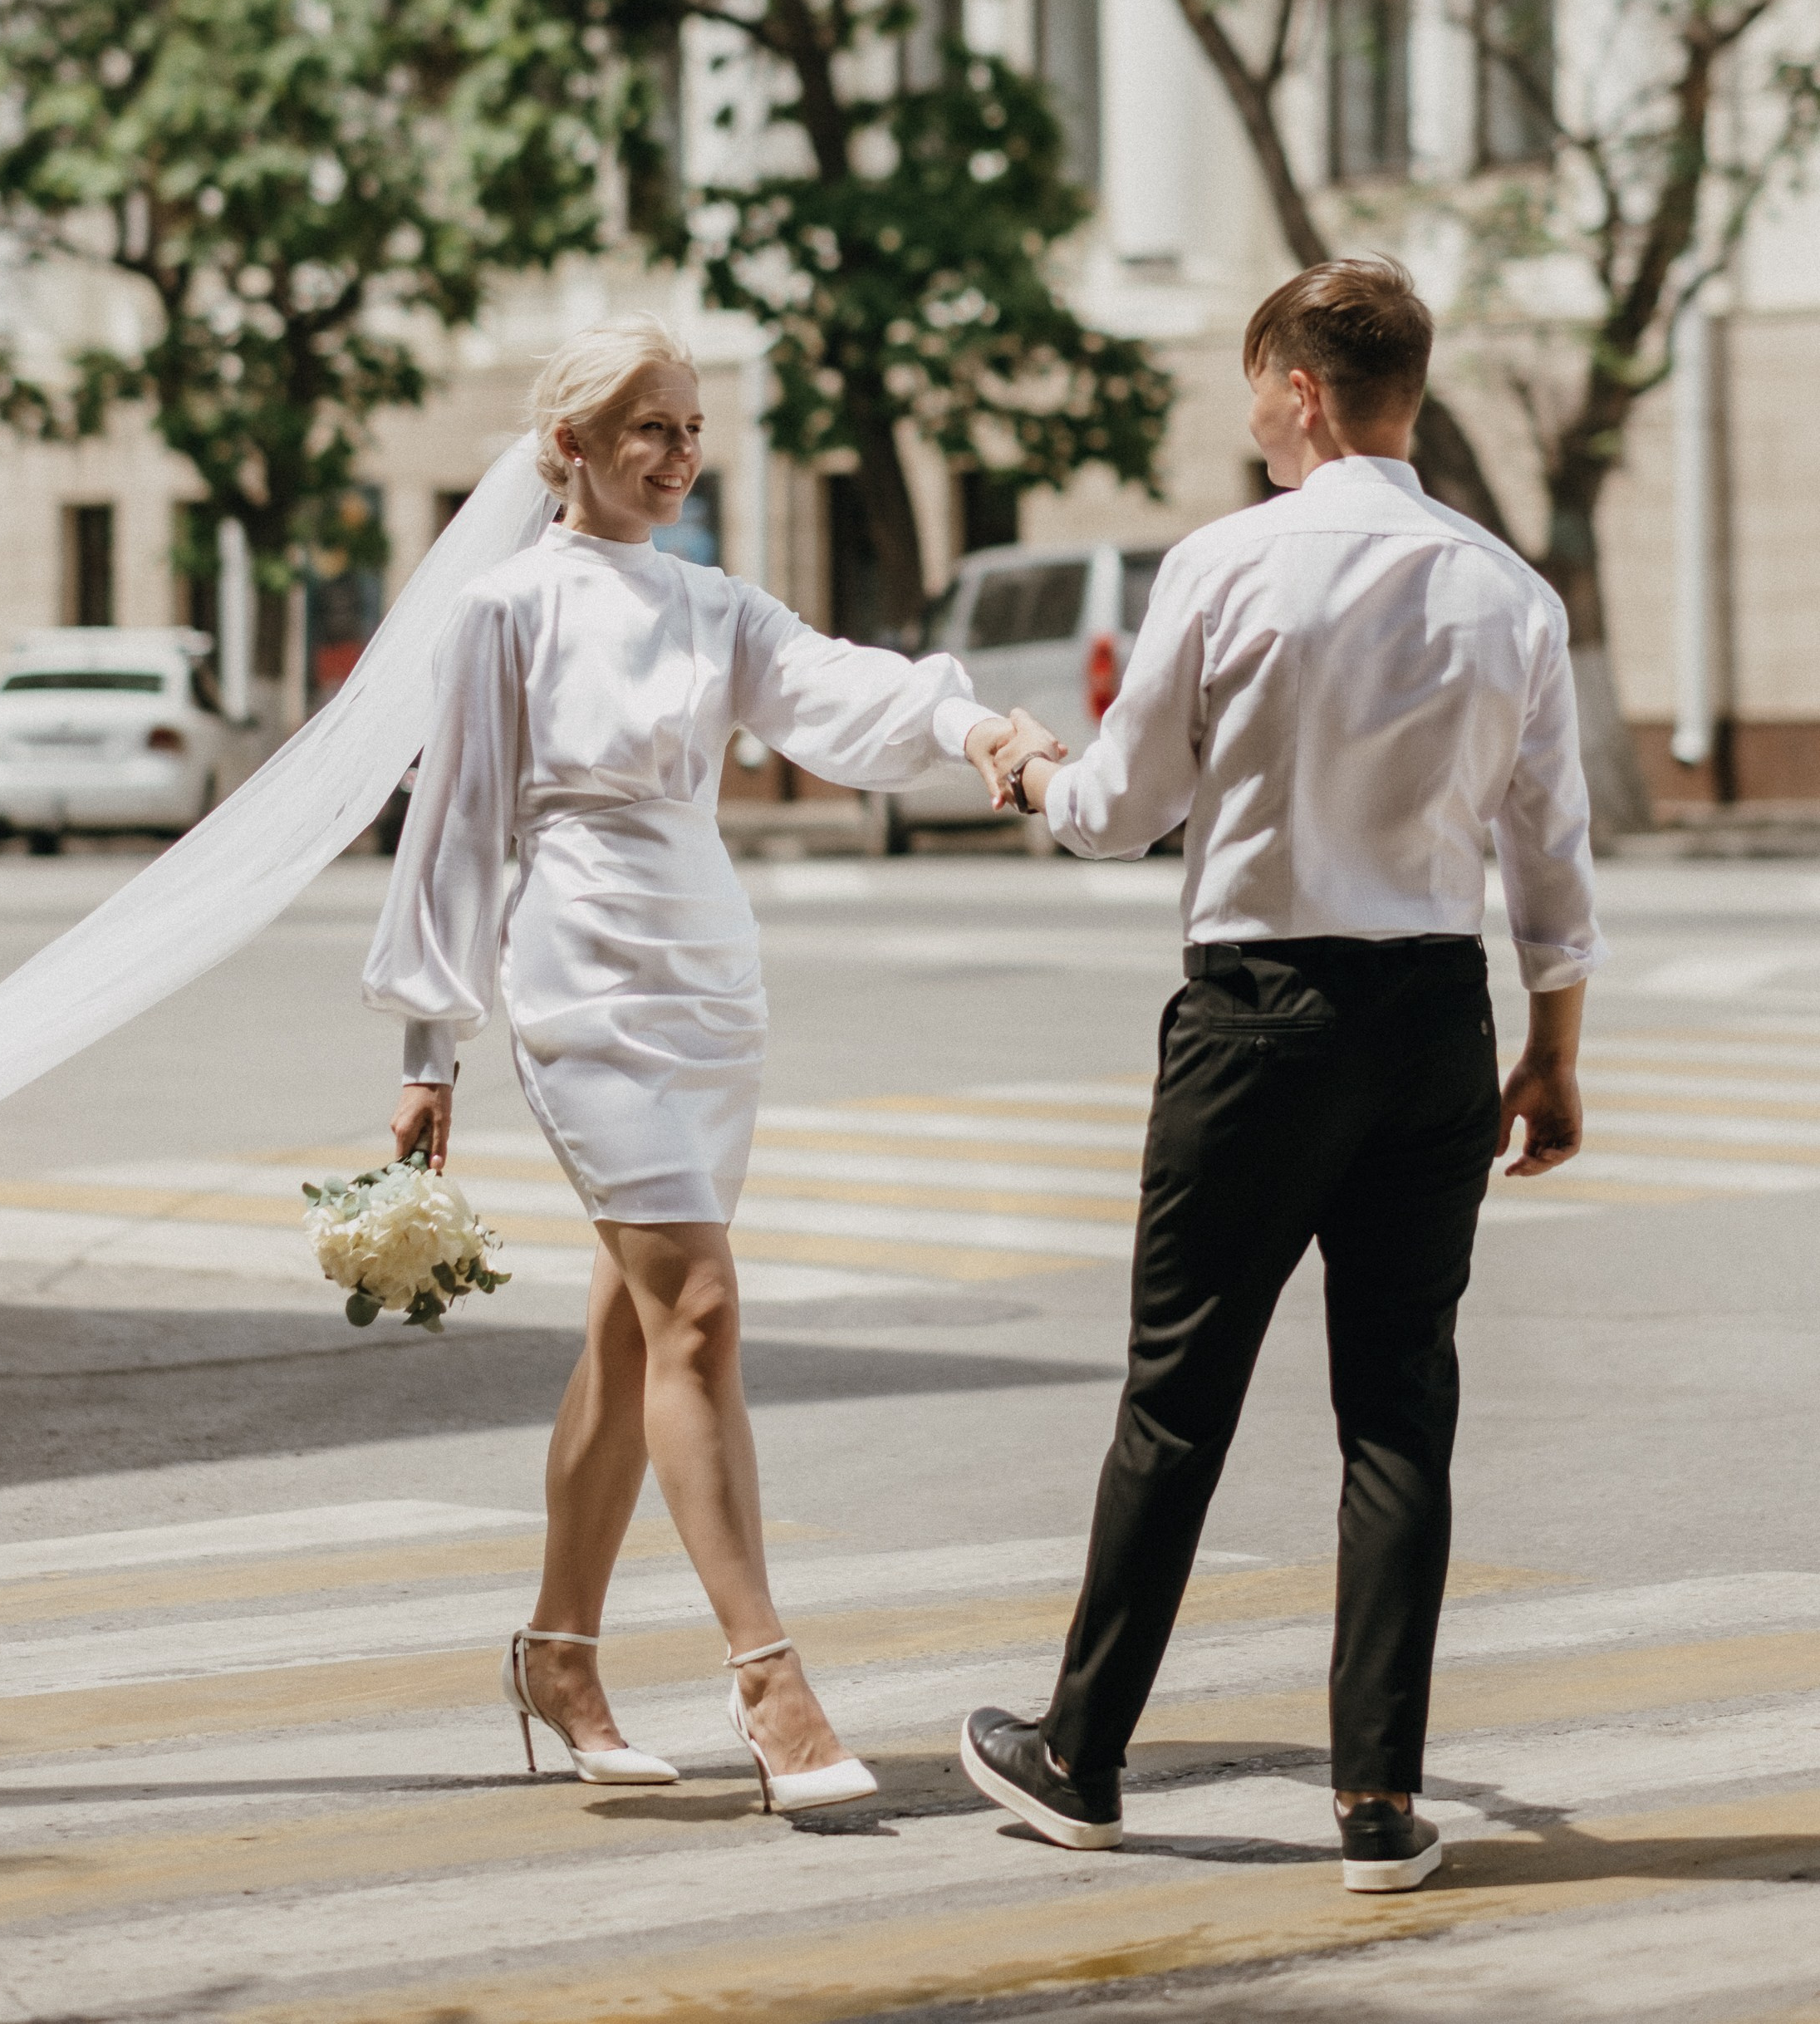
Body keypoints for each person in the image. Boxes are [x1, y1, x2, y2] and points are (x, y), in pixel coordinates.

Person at [960, 257, 1600, 1893]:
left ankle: (1082, 1758)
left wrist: (1026, 761)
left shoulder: (1228, 563)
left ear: (1302, 389)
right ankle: (1377, 1808)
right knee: (1399, 1409)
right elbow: (1552, 851)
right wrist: (1555, 1050)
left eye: (1254, 386)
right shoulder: (1507, 588)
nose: (1248, 416)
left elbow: (1118, 809)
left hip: (1260, 1018)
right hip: (1439, 1024)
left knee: (1178, 1396)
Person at [366, 317, 1009, 1815]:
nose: (677, 455)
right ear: (569, 449)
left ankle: (557, 1653)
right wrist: (428, 1049)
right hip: (578, 974)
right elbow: (454, 825)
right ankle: (771, 1685)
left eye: (690, 428)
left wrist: (978, 723)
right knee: (701, 1311)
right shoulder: (503, 609)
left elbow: (846, 695)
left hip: (708, 978)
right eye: (648, 428)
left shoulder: (716, 605)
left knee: (633, 1330)